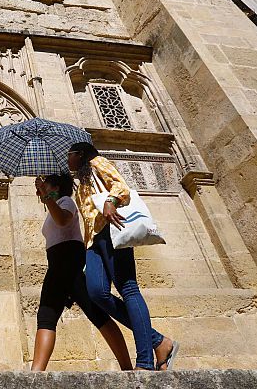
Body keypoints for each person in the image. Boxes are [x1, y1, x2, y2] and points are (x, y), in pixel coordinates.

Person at [67, 142, 179, 371]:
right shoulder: (82, 182)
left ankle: (145, 362)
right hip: (93, 242)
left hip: (112, 232)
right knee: (97, 292)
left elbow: (121, 186)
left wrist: (110, 201)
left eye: (69, 155)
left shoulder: (97, 164)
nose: (67, 160)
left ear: (79, 154)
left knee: (128, 289)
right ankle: (159, 341)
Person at [31, 173, 133, 371]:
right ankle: (35, 374)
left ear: (56, 188)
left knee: (93, 314)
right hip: (57, 264)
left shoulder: (66, 202)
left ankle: (127, 367)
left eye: (47, 185)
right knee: (49, 315)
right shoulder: (54, 204)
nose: (44, 188)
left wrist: (46, 196)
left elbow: (62, 220)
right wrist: (45, 196)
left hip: (69, 262)